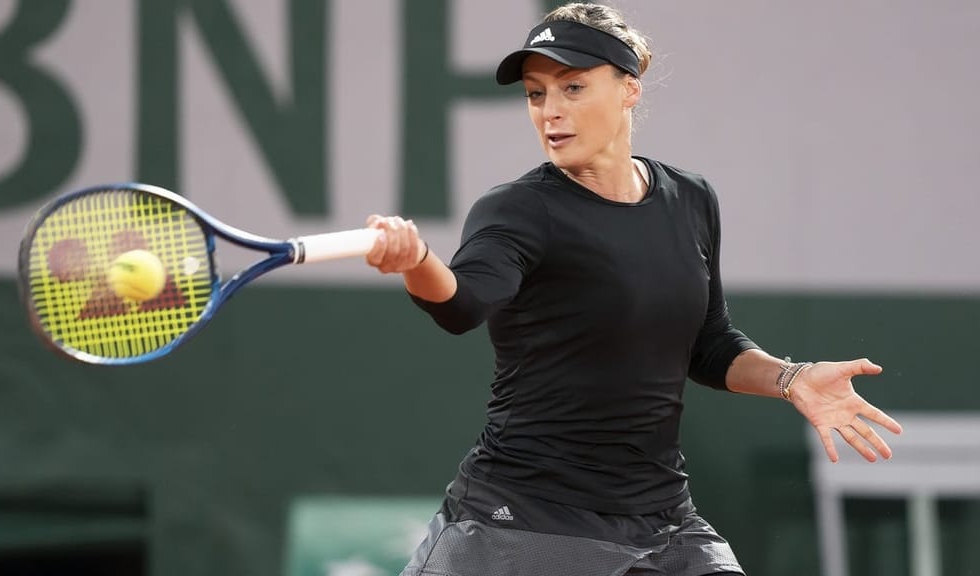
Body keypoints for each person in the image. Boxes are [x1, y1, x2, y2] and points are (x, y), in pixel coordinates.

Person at [364, 3, 903, 575]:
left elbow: (708, 343)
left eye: (573, 87)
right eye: (535, 94)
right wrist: (418, 260)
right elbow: (462, 303)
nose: (551, 112)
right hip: (524, 519)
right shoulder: (518, 210)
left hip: (663, 520)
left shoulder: (691, 200)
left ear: (630, 89)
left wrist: (790, 379)